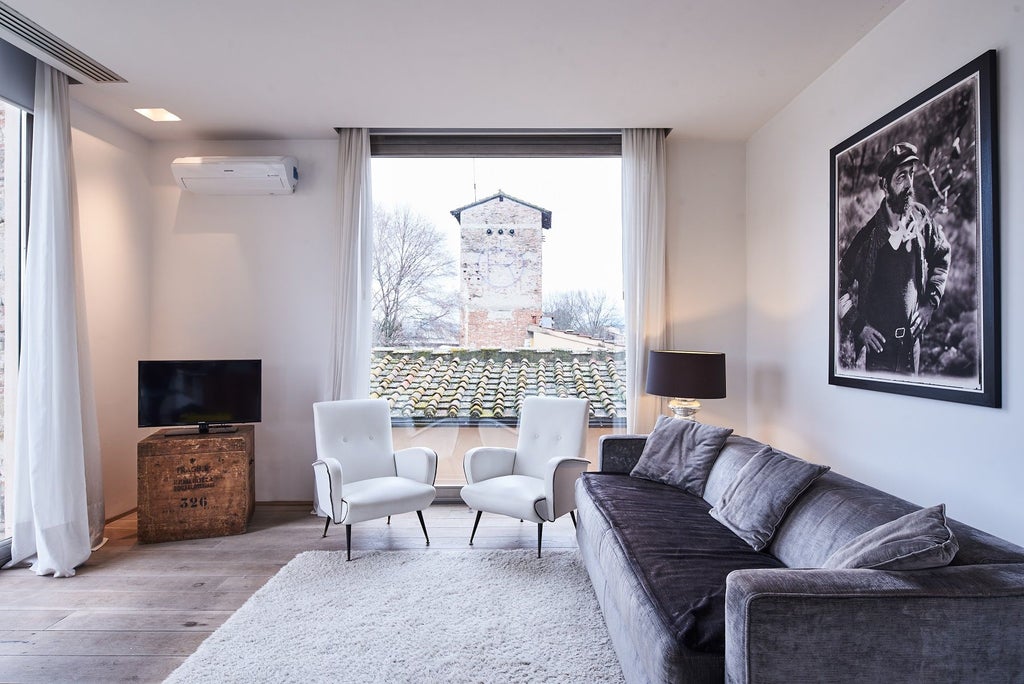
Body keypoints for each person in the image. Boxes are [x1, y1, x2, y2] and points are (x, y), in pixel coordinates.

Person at [838, 142, 951, 374]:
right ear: (884, 184)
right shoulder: (867, 238)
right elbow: (838, 284)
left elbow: (942, 257)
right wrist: (859, 327)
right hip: (879, 353)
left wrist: (930, 304)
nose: (909, 184)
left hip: (913, 348)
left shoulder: (921, 220)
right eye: (901, 177)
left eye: (911, 175)